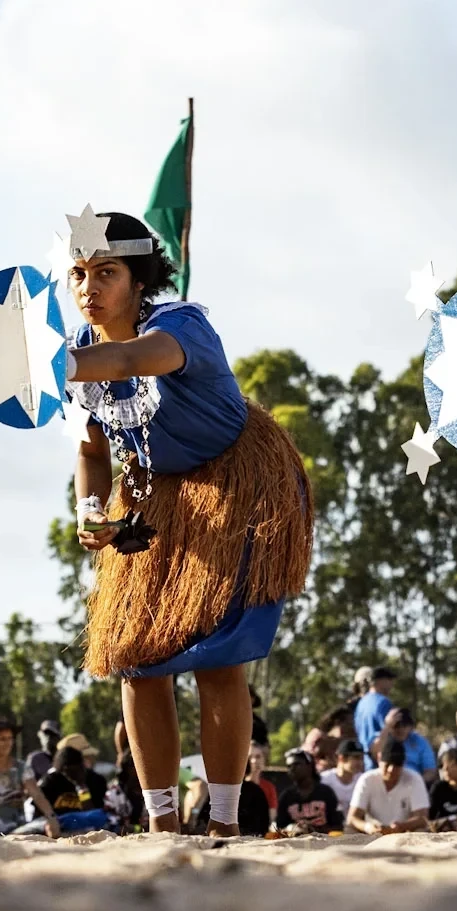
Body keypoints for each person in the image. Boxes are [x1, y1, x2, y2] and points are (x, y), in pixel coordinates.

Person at [67, 211, 313, 838]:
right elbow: (94, 453)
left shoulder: (179, 325)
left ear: (139, 279)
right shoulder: (79, 353)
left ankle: (225, 820)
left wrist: (47, 364)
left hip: (237, 484)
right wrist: (91, 511)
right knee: (134, 658)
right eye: (78, 274)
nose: (88, 288)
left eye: (106, 272)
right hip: (152, 495)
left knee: (217, 662)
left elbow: (128, 364)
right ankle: (161, 823)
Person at [346, 740, 429, 835]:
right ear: (379, 759)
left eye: (396, 765)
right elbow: (352, 818)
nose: (391, 770)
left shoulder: (414, 779)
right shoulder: (367, 779)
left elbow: (422, 818)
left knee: (422, 831)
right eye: (387, 764)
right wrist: (368, 827)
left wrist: (401, 826)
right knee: (349, 830)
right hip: (372, 834)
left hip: (404, 834)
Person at [38, 743, 111, 836]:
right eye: (68, 769)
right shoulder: (50, 781)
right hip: (58, 824)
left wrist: (81, 786)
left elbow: (94, 813)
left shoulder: (95, 780)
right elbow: (42, 812)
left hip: (87, 824)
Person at [275, 750, 341, 835]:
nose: (292, 769)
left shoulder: (326, 793)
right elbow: (279, 827)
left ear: (309, 766)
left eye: (296, 764)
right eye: (289, 766)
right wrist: (292, 828)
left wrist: (314, 829)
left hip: (324, 842)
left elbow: (338, 826)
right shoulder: (286, 797)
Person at [380, 708, 438, 785]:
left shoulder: (420, 742)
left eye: (404, 725)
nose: (401, 729)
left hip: (414, 784)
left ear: (410, 727)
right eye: (396, 726)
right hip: (389, 782)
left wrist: (416, 783)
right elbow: (378, 753)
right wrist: (387, 725)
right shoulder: (386, 739)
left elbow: (430, 771)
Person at [352, 668, 397, 766]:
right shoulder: (383, 702)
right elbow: (393, 733)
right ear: (380, 681)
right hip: (381, 762)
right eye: (389, 680)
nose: (391, 684)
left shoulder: (361, 703)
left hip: (364, 761)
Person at [301, 703, 354, 769]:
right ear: (338, 722)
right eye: (349, 723)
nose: (352, 726)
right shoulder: (318, 736)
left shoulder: (348, 739)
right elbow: (305, 758)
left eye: (353, 723)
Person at [320, 738, 365, 812]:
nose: (360, 762)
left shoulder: (362, 780)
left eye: (362, 758)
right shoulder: (324, 780)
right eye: (356, 758)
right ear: (341, 758)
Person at [25, 719, 63, 784]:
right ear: (40, 736)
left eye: (52, 735)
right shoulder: (35, 758)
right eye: (45, 734)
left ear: (59, 737)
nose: (48, 738)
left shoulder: (64, 757)